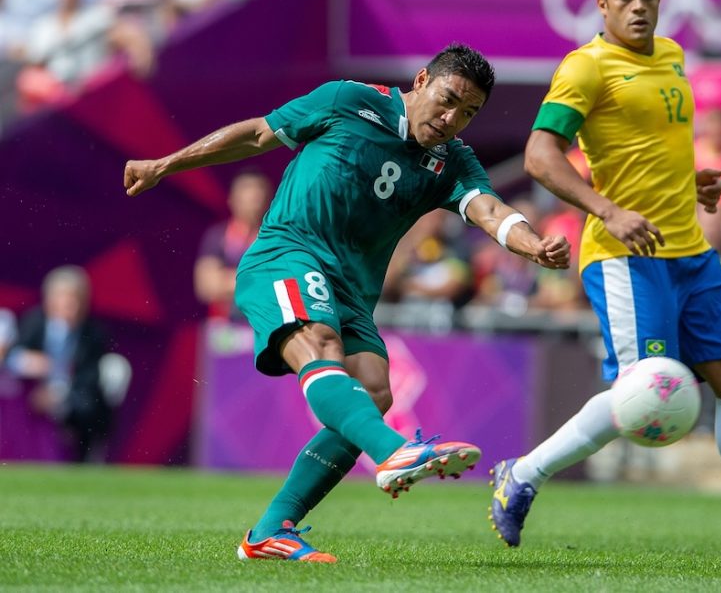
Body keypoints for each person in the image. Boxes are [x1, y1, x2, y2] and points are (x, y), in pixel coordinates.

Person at [123, 43, 571, 563]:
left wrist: (533, 243)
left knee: (375, 390)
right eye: (448, 100)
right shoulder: (347, 100)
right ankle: (392, 452)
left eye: (468, 113)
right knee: (321, 344)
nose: (452, 119)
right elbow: (259, 133)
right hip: (288, 254)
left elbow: (490, 210)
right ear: (422, 80)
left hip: (353, 291)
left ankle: (270, 531)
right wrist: (166, 164)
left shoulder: (453, 161)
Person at [488, 0, 721, 558]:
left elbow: (649, 148)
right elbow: (541, 156)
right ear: (601, 4)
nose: (640, 6)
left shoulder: (673, 56)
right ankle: (521, 475)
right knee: (643, 390)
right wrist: (609, 211)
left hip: (691, 251)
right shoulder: (586, 68)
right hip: (625, 255)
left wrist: (686, 184)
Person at [5, 266, 115, 463]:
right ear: (49, 301)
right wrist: (28, 362)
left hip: (72, 402)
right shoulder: (34, 322)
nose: (70, 305)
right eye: (64, 299)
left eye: (76, 299)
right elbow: (11, 357)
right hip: (33, 398)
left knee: (87, 409)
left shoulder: (93, 334)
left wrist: (59, 396)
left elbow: (89, 380)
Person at [194, 169, 272, 320]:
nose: (255, 197)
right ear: (233, 200)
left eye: (260, 191)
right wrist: (264, 279)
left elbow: (285, 281)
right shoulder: (217, 236)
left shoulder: (275, 239)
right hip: (225, 332)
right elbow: (207, 286)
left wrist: (227, 279)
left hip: (265, 326)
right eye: (247, 190)